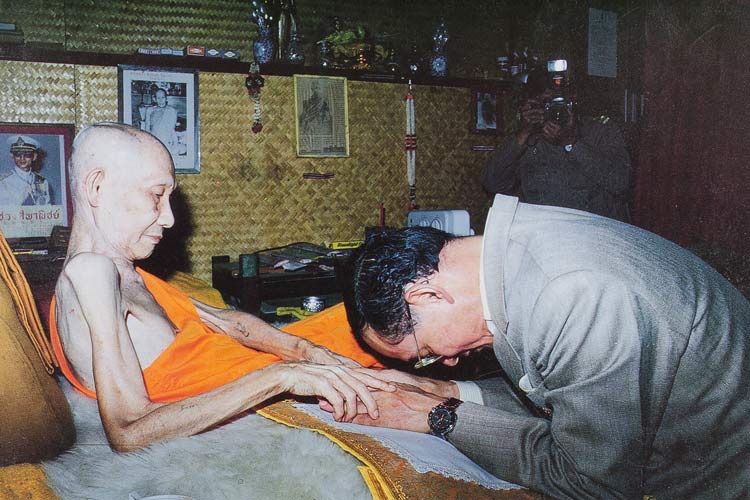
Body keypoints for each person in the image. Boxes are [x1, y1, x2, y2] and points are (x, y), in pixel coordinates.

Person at [336, 194, 750, 499]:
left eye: (425, 353)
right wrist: (440, 389)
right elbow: (561, 394)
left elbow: (591, 484)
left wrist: (437, 417)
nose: (446, 361)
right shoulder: (512, 252)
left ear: (427, 296)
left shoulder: (569, 297)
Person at [52, 122, 394, 452]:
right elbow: (128, 431)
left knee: (366, 315)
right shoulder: (91, 273)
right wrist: (283, 376)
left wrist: (306, 351)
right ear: (97, 187)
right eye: (156, 195)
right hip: (249, 387)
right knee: (388, 333)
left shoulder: (125, 270)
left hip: (251, 366)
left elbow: (227, 321)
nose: (169, 218)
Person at [480, 70, 631, 222]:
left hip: (592, 228)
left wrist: (573, 143)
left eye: (557, 103)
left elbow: (620, 183)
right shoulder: (529, 137)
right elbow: (492, 183)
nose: (553, 110)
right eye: (545, 104)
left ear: (572, 102)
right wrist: (523, 133)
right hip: (543, 228)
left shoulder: (599, 131)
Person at [0, 135, 51, 205]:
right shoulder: (3, 181)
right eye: (18, 154)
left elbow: (47, 207)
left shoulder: (42, 181)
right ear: (12, 156)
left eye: (27, 155)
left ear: (34, 156)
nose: (22, 158)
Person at [145, 88, 179, 154]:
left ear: (166, 98)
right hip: (154, 141)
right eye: (158, 98)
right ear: (155, 99)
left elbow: (172, 129)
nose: (161, 101)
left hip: (167, 142)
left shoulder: (172, 111)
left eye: (163, 97)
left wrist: (175, 144)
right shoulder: (150, 110)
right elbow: (147, 129)